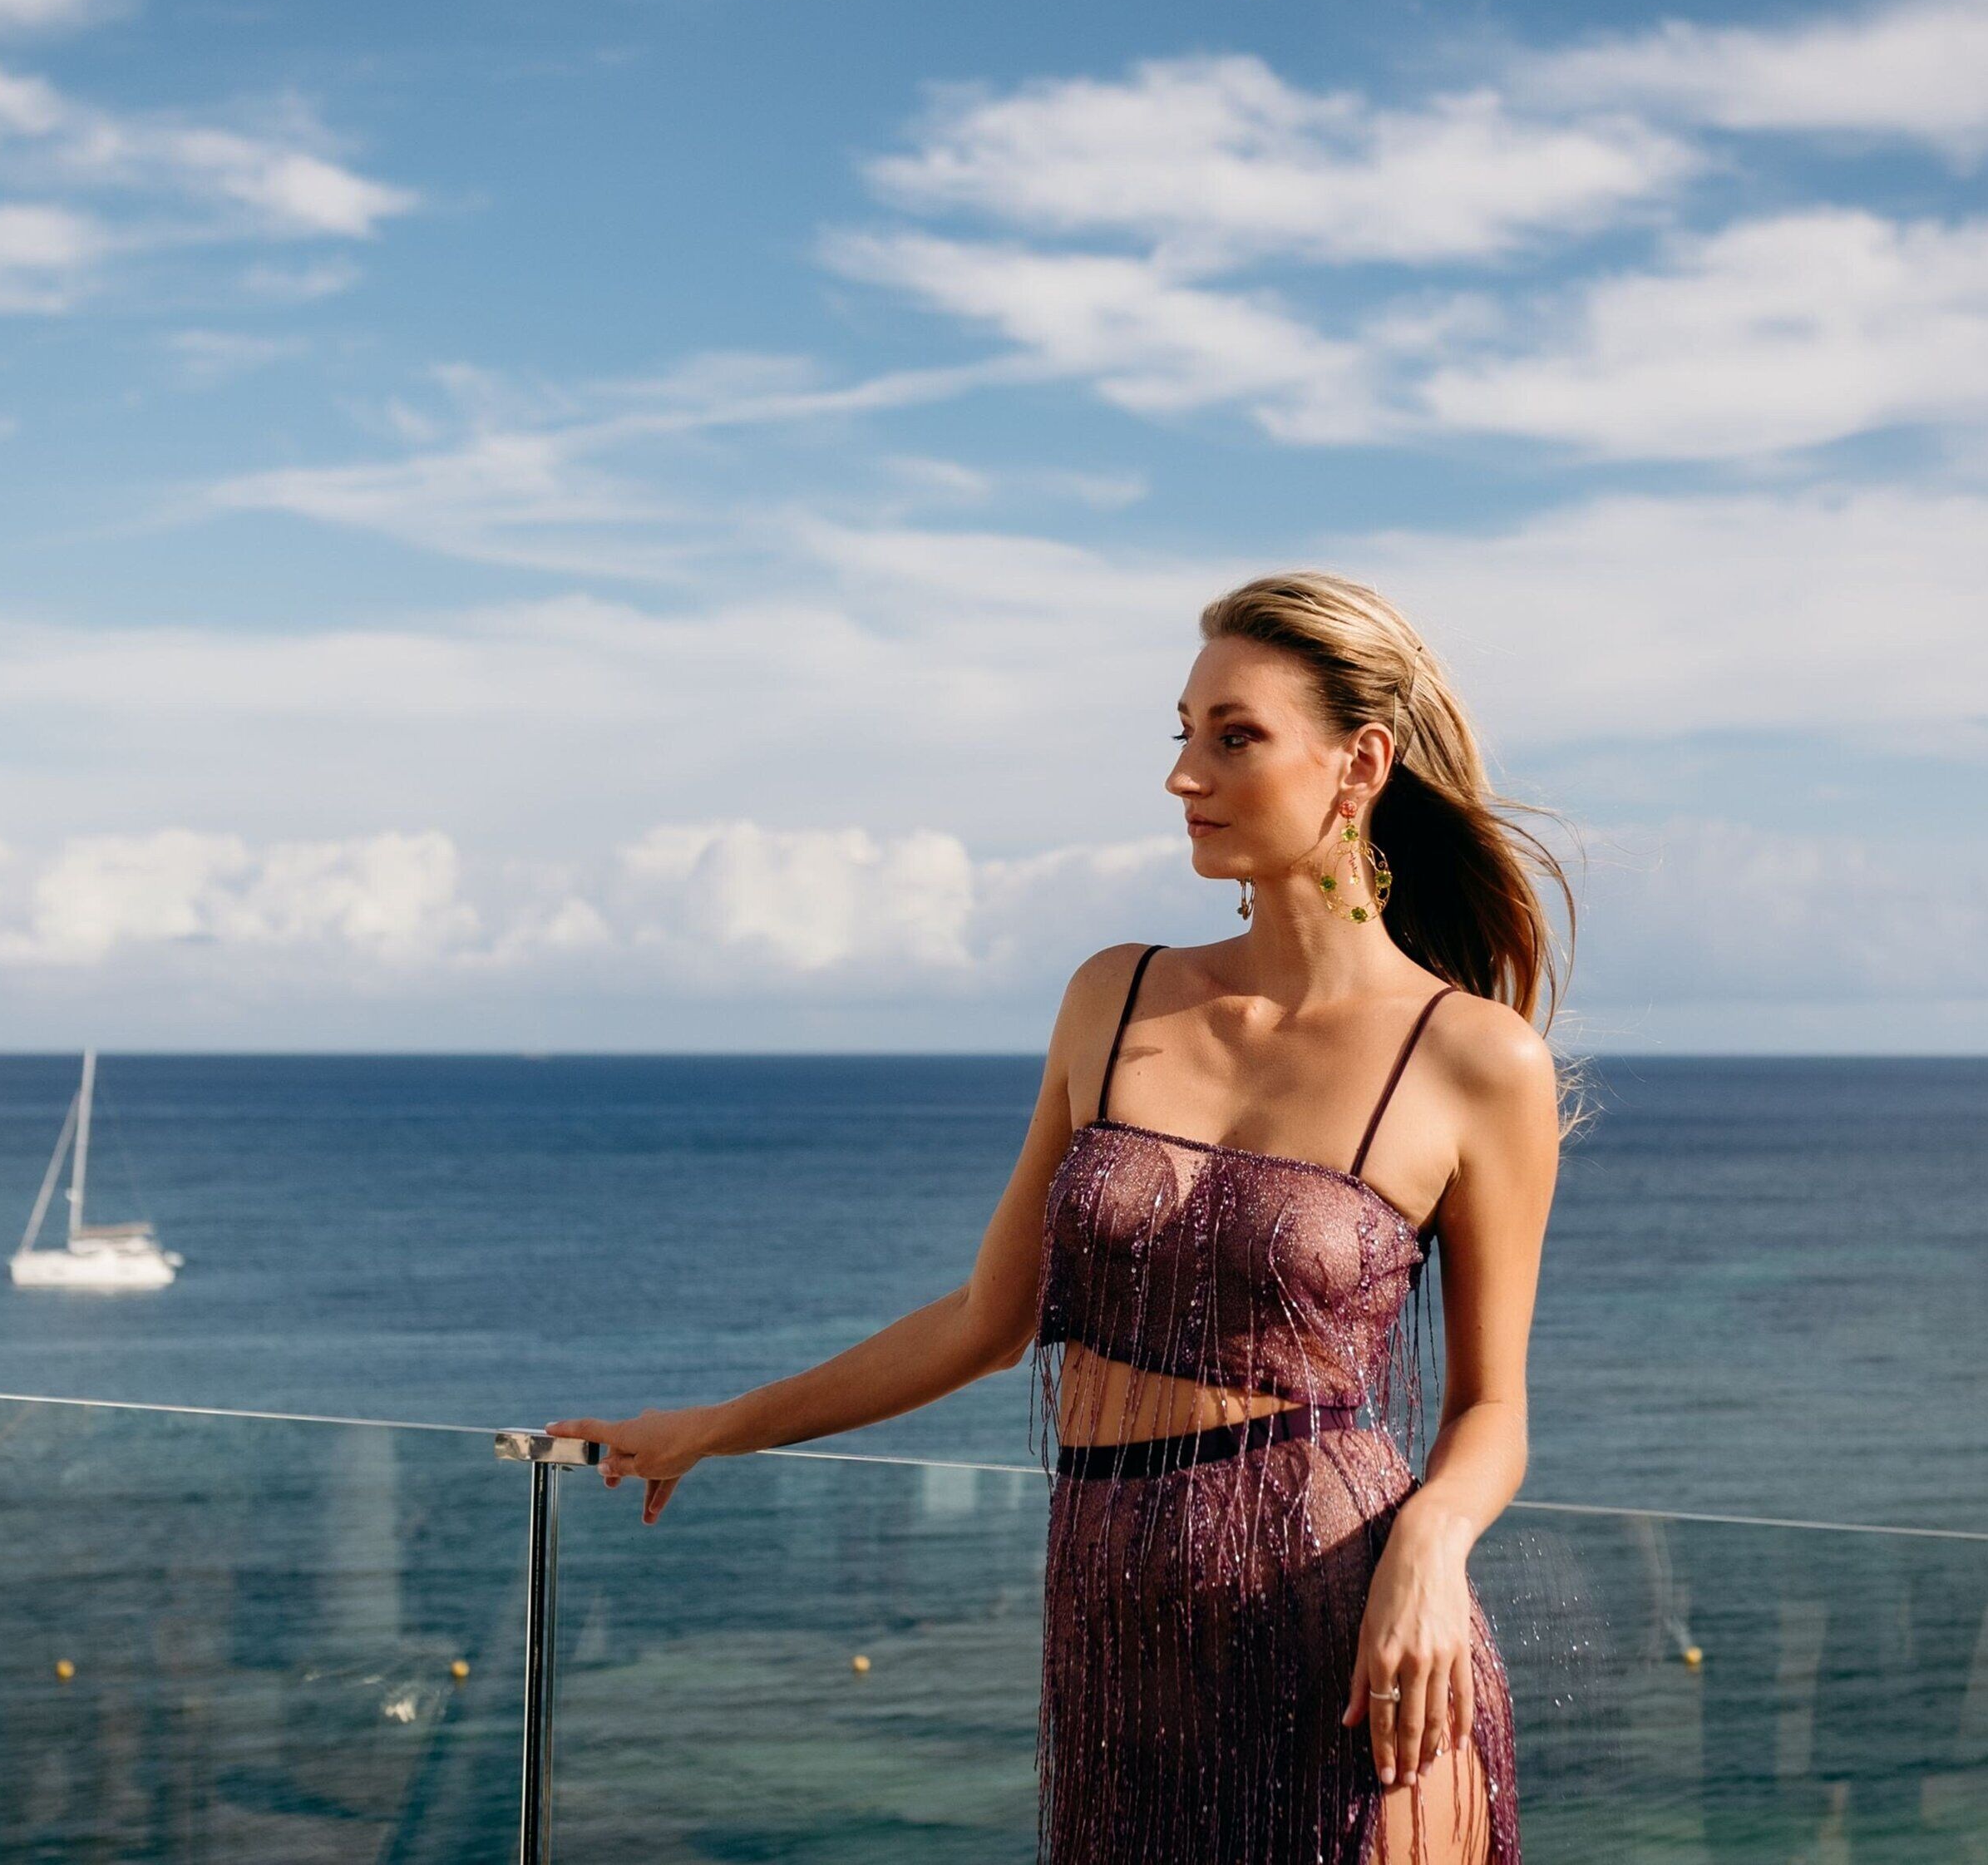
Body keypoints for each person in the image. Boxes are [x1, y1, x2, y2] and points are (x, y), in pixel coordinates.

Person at [552, 570, 1575, 1863]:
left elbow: (1493, 1409)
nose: (1183, 776)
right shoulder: (1117, 998)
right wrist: (712, 1429)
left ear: (1359, 762)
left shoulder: (1476, 1060)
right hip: (1114, 1627)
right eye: (1183, 733)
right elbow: (992, 1320)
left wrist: (1429, 1543)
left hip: (1341, 1620)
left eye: (1235, 735)